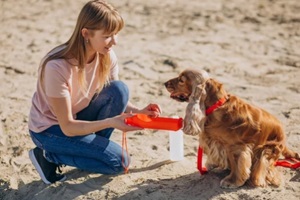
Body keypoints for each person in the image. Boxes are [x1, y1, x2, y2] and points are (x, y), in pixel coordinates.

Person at [28, 0, 161, 184]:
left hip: (78, 118)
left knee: (119, 89)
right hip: (50, 130)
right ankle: (48, 155)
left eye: (115, 34)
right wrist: (111, 122)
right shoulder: (57, 66)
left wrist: (139, 111)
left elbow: (113, 97)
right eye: (107, 36)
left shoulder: (107, 55)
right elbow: (67, 126)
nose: (114, 42)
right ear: (86, 34)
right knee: (120, 163)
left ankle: (87, 148)